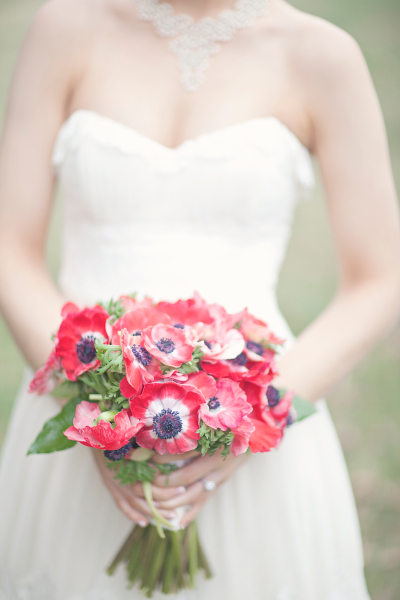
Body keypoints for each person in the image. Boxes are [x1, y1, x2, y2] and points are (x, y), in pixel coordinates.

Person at [0, 0, 399, 597]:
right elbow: (9, 246)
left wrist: (254, 416)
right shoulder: (64, 27)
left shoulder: (322, 54)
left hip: (258, 417)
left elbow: (379, 279)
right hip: (79, 402)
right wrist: (94, 410)